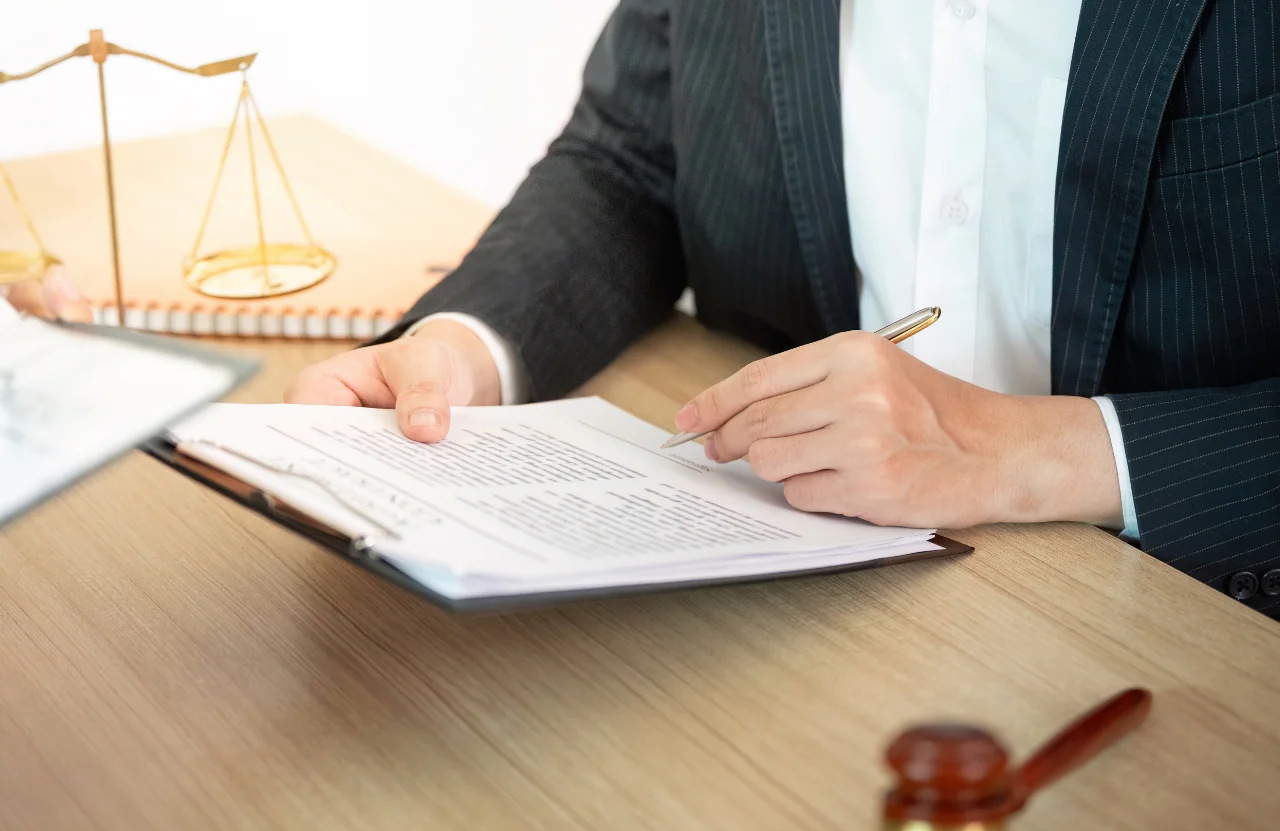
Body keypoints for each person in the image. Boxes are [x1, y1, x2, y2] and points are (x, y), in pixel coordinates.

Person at [286, 0, 1280, 616]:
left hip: (1176, 619)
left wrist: (1013, 452)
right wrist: (466, 347)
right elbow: (631, 162)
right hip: (800, 585)